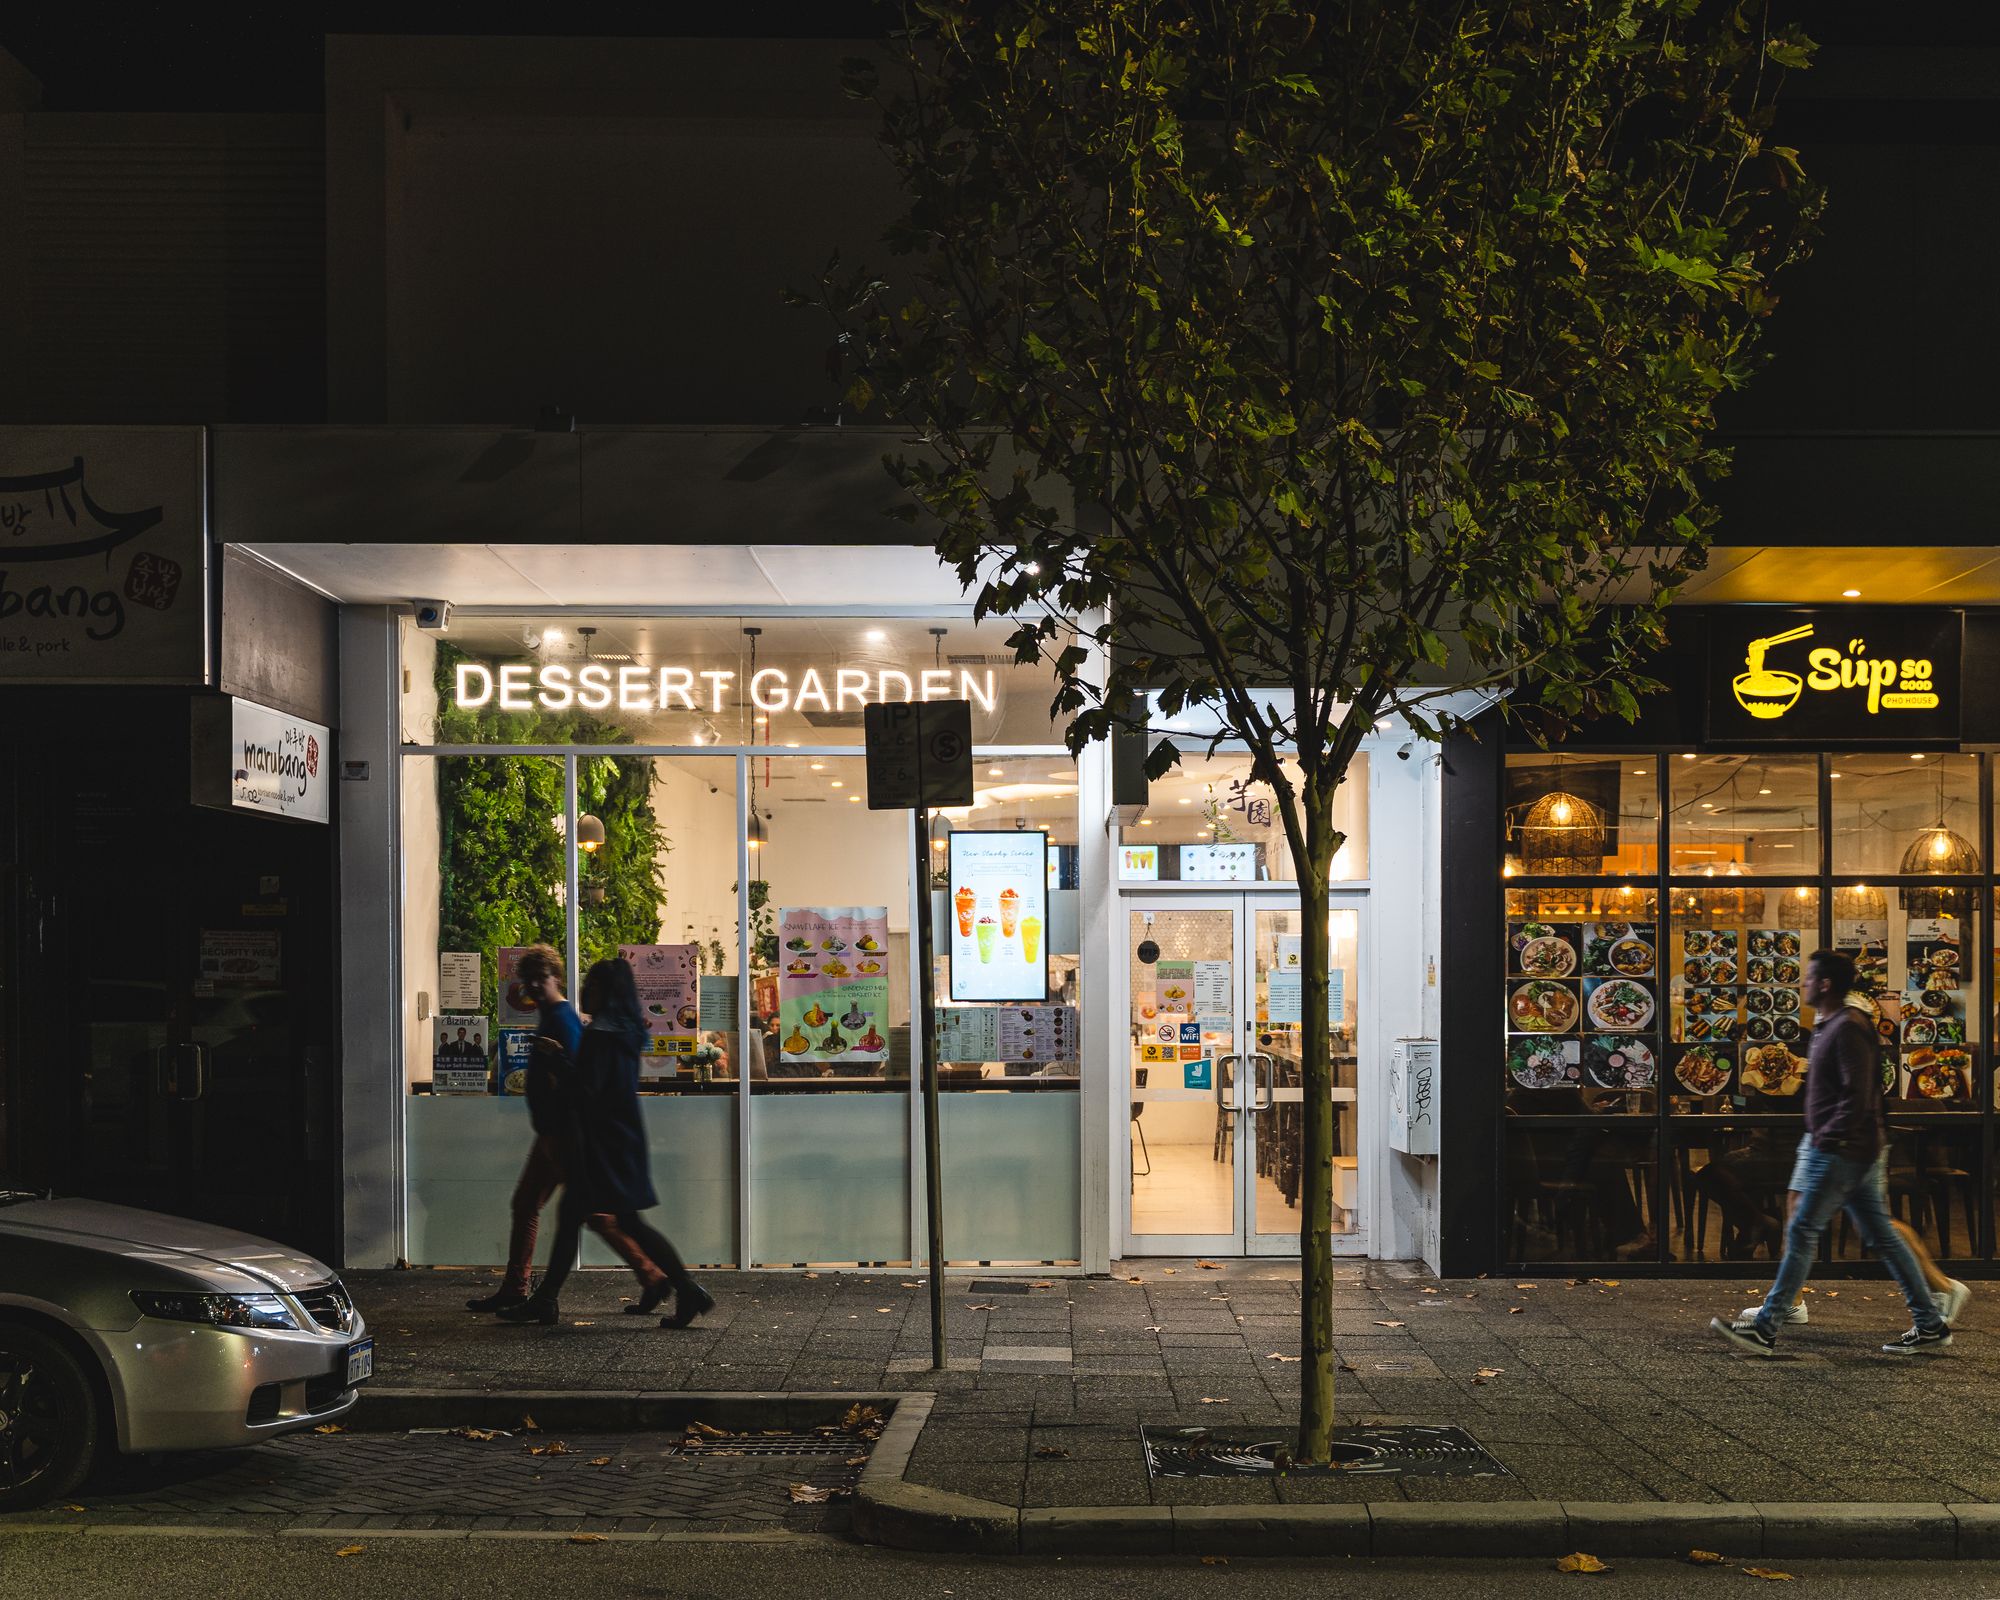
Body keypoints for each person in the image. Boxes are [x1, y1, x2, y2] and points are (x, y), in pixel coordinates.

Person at [1712, 950, 1951, 1356]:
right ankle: (1929, 1323)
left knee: (1803, 1230)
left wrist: (1826, 1138)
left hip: (1842, 1148)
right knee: (1882, 1237)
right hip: (1847, 1145)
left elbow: (1857, 1096)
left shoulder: (1848, 1027)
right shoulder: (1830, 1025)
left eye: (1807, 978)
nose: (1802, 984)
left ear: (1824, 984)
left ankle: (1766, 1326)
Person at [498, 957, 714, 1329]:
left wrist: (557, 1059)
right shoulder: (625, 1030)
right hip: (619, 1138)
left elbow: (587, 1091)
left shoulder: (602, 1034)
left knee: (617, 1220)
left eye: (593, 987)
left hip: (604, 1142)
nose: (585, 993)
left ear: (608, 991)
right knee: (607, 1219)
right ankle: (682, 1288)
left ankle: (684, 1287)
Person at [465, 947, 669, 1314]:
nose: (533, 987)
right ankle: (525, 1288)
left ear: (555, 977)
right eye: (528, 981)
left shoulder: (562, 1019)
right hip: (551, 1132)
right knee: (546, 1207)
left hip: (561, 1134)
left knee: (593, 1214)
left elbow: (583, 1080)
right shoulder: (553, 1017)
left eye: (539, 979)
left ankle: (653, 1276)